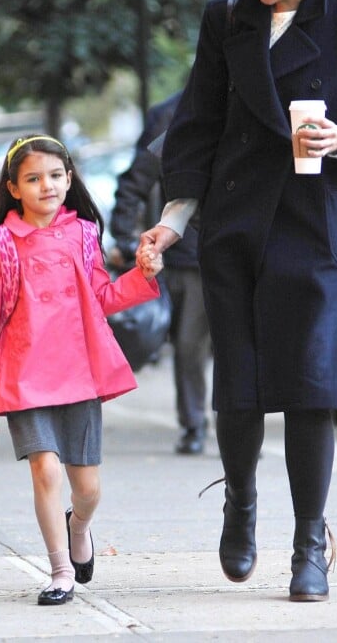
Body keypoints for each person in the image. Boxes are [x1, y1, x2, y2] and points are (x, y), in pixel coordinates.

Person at [137, 0, 337, 602]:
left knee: (312, 392)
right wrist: (175, 217)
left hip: (317, 232)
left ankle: (309, 544)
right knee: (243, 392)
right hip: (237, 232)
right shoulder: (227, 18)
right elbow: (197, 124)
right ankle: (241, 504)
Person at [0, 134, 163, 606]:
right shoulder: (1, 244)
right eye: (32, 178)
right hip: (21, 375)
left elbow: (103, 298)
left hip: (80, 375)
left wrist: (142, 276)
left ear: (70, 180)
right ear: (13, 188)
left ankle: (80, 526)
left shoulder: (83, 234)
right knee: (45, 470)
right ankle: (58, 572)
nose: (46, 186)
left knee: (87, 489)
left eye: (55, 176)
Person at [109, 92, 211, 455]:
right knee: (189, 346)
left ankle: (240, 425)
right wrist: (123, 237)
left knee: (236, 345)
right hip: (187, 255)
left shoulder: (257, 100)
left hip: (242, 253)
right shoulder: (175, 113)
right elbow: (135, 180)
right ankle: (195, 423)